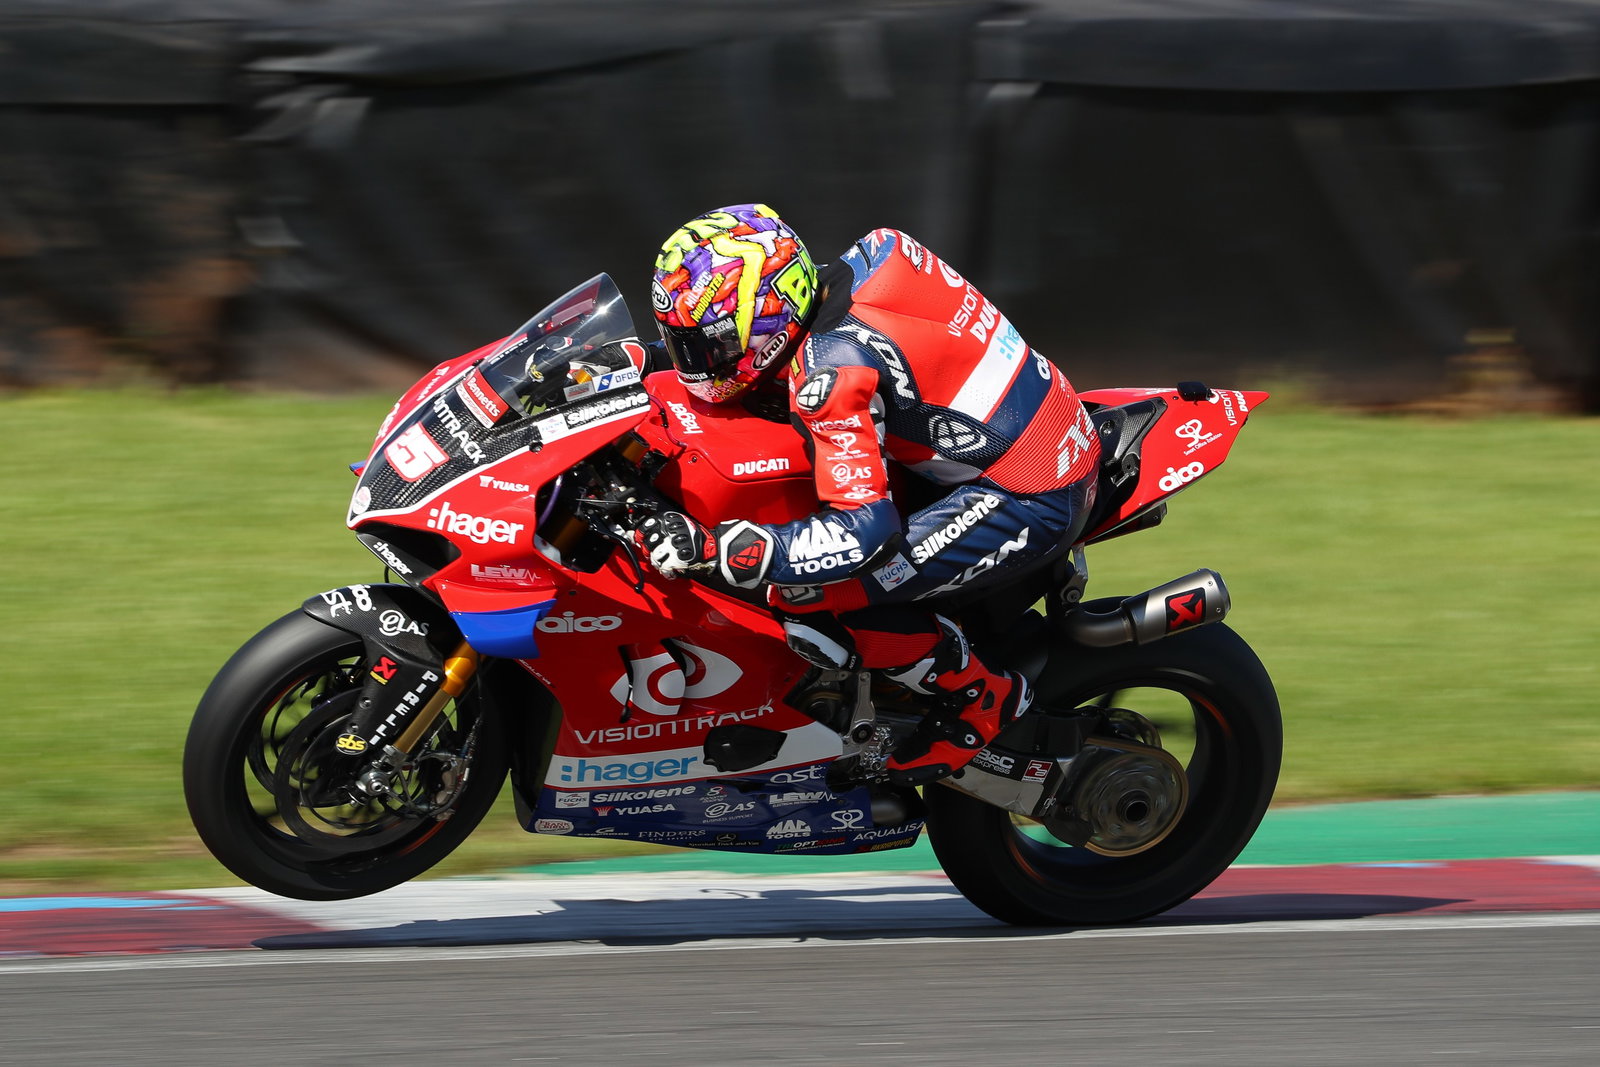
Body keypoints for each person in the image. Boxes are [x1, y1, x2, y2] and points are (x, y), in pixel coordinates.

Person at [635, 203, 1101, 785]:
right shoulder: (869, 255)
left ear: (769, 317)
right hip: (1037, 417)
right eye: (681, 346)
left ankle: (982, 696)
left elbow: (865, 532)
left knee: (805, 591)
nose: (697, 368)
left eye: (707, 350)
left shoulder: (831, 373)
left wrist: (721, 549)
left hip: (1031, 487)